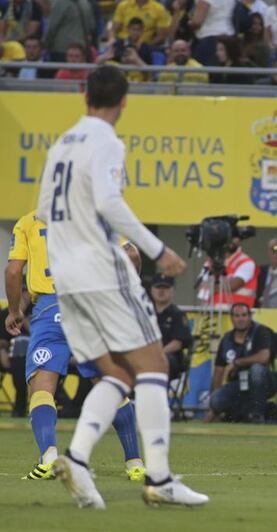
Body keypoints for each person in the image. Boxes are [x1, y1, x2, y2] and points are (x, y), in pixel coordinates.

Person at [34, 65, 207, 508]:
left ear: (83, 94)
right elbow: (110, 202)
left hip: (65, 279)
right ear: (125, 100)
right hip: (101, 271)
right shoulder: (106, 141)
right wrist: (156, 250)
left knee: (118, 373)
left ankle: (75, 457)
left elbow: (43, 213)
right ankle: (161, 479)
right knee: (153, 368)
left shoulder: (60, 146)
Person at [5, 211, 145, 482]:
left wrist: (14, 311)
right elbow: (132, 254)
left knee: (42, 386)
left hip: (50, 308)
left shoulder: (28, 221)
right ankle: (135, 463)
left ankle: (49, 457)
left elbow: (13, 271)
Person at [206, 302, 277, 423]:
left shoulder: (261, 331)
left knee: (256, 369)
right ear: (231, 318)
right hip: (239, 383)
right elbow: (219, 370)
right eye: (237, 316)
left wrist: (237, 363)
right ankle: (242, 414)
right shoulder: (226, 339)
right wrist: (213, 409)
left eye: (244, 315)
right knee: (215, 401)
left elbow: (263, 357)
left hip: (266, 382)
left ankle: (257, 416)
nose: (240, 319)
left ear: (250, 316)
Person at [150, 274, 193, 380]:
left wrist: (157, 355)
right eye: (158, 287)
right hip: (147, 356)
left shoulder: (177, 314)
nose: (161, 291)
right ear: (151, 290)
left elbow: (177, 344)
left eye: (165, 288)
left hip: (169, 358)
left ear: (172, 290)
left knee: (164, 360)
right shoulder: (146, 314)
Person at [196, 235, 258, 308]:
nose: (231, 240)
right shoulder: (211, 261)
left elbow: (233, 285)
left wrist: (210, 286)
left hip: (237, 314)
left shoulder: (246, 262)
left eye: (234, 236)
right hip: (212, 313)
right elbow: (200, 285)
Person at [96, 17, 154, 83]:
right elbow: (105, 60)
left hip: (138, 81)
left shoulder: (146, 47)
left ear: (142, 31)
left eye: (138, 30)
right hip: (119, 79)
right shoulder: (119, 43)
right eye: (133, 29)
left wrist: (136, 60)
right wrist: (106, 57)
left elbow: (149, 72)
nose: (135, 32)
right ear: (128, 29)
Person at [190, 0, 236, 67]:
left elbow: (197, 22)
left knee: (206, 71)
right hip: (229, 36)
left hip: (209, 38)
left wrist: (190, 23)